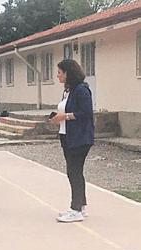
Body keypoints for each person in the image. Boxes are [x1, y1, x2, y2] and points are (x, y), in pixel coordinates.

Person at [51, 59, 94, 223]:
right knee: (75, 172)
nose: (58, 76)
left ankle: (75, 209)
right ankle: (80, 206)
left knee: (73, 172)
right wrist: (57, 117)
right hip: (66, 135)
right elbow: (66, 109)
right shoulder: (68, 90)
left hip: (80, 138)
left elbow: (86, 113)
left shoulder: (82, 90)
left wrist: (66, 116)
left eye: (60, 73)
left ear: (68, 73)